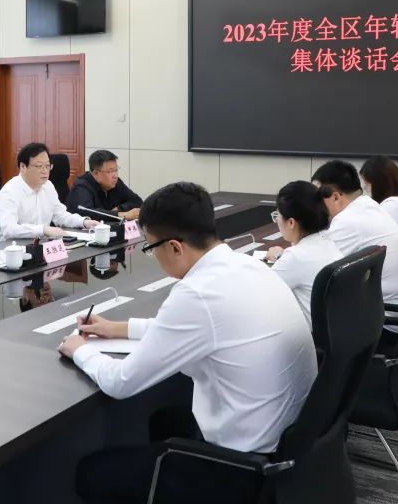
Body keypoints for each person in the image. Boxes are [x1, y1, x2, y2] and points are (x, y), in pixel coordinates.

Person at [60, 182, 317, 504]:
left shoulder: (196, 293)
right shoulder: (247, 265)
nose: (153, 256)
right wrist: (119, 328)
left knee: (92, 473)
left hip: (242, 466)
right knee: (166, 420)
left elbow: (120, 382)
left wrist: (80, 350)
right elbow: (197, 328)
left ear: (174, 247)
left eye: (150, 247)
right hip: (291, 447)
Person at [312, 160, 398, 309]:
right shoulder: (369, 205)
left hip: (388, 312)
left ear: (335, 197)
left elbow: (317, 269)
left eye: (318, 200)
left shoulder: (346, 221)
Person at [265, 181, 344, 324]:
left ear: (291, 222)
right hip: (342, 329)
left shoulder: (295, 257)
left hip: (313, 335)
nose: (276, 220)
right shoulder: (327, 242)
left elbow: (260, 292)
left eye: (277, 215)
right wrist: (280, 256)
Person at [0, 142, 98, 241]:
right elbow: (9, 229)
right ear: (23, 167)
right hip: (11, 249)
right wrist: (43, 230)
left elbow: (60, 215)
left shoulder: (48, 186)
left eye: (48, 166)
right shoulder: (9, 192)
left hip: (42, 246)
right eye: (39, 166)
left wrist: (83, 222)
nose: (45, 171)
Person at [66, 149, 143, 221]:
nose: (115, 175)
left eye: (116, 170)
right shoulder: (82, 187)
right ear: (96, 173)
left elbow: (137, 201)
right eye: (110, 171)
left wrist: (119, 209)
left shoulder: (116, 183)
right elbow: (87, 213)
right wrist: (121, 215)